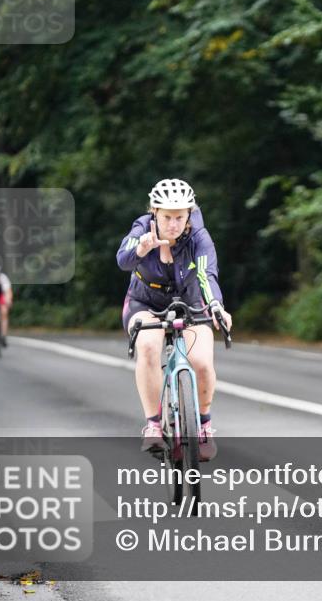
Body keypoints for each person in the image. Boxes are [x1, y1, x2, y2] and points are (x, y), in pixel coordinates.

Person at [116, 178, 232, 461]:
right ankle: (153, 425)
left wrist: (216, 305)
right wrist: (141, 249)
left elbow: (206, 274)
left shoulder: (198, 237)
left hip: (190, 302)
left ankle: (203, 425)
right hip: (145, 302)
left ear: (189, 214)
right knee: (148, 346)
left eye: (180, 216)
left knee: (202, 362)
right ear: (154, 211)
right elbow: (123, 259)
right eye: (167, 216)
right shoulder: (142, 228)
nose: (173, 223)